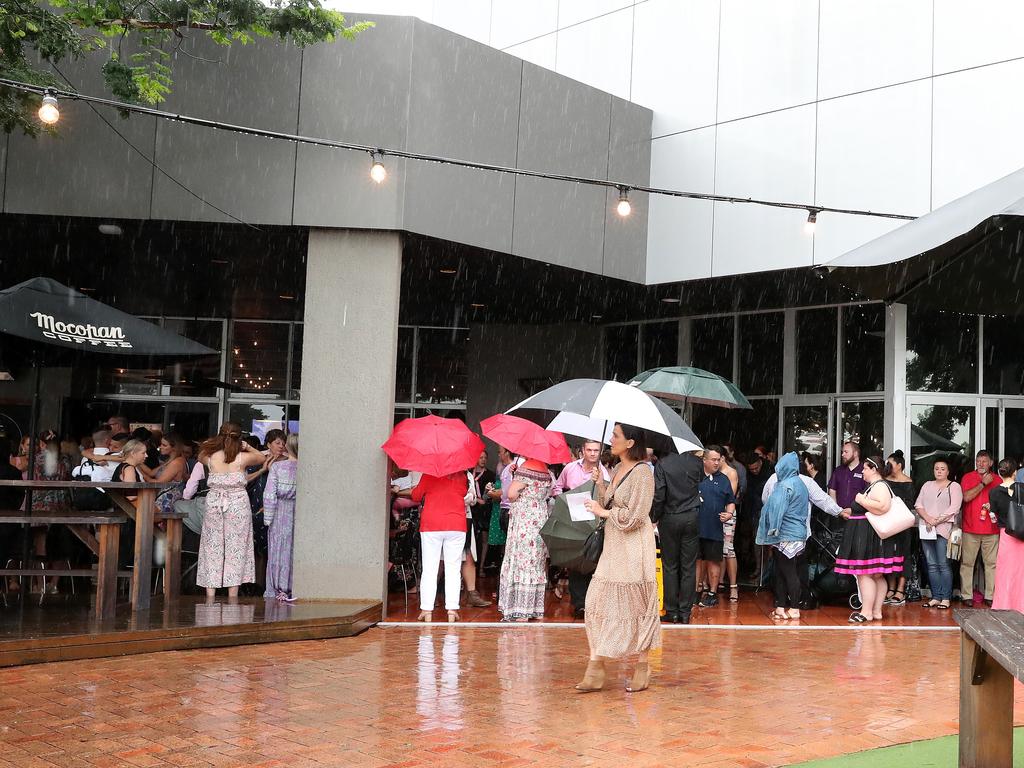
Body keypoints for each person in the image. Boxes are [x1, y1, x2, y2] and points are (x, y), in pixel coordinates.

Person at [576, 423, 658, 694]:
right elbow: (612, 504)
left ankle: (642, 665)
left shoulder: (643, 472)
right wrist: (601, 485)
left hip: (634, 545)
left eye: (616, 436)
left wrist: (603, 512)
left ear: (630, 443)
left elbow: (635, 516)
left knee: (636, 604)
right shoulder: (617, 469)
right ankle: (596, 665)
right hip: (614, 545)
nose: (611, 440)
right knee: (595, 600)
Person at [761, 457, 844, 608]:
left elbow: (765, 500)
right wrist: (839, 512)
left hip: (779, 533)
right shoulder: (805, 482)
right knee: (797, 568)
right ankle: (801, 601)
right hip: (800, 533)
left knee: (781, 569)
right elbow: (823, 500)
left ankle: (783, 603)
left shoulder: (775, 479)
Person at [195, 423, 265, 600]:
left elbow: (200, 454)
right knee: (237, 547)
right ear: (239, 438)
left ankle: (210, 592)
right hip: (237, 503)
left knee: (212, 546)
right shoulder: (242, 458)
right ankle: (232, 593)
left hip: (215, 503)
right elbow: (261, 458)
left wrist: (216, 443)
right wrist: (247, 446)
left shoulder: (210, 458)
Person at [835, 455, 903, 623]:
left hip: (868, 537)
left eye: (865, 468)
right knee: (876, 576)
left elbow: (882, 507)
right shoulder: (875, 486)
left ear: (874, 470)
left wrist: (861, 499)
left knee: (865, 574)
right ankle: (876, 611)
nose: (863, 471)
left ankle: (866, 612)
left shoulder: (879, 486)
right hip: (870, 536)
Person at [552, 440, 610, 617]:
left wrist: (600, 484)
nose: (593, 453)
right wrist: (564, 499)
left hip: (593, 521)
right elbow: (556, 487)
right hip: (572, 519)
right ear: (582, 451)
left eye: (596, 450)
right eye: (589, 450)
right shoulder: (570, 468)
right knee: (576, 561)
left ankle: (592, 603)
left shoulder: (603, 472)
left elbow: (607, 496)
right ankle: (579, 604)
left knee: (592, 559)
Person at [498, 457, 553, 622]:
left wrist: (515, 476)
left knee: (521, 559)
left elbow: (511, 494)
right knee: (535, 561)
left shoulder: (526, 468)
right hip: (540, 517)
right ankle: (534, 608)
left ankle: (520, 609)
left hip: (525, 519)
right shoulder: (546, 470)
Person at [651, 448, 703, 623]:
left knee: (670, 566)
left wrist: (654, 516)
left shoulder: (663, 464)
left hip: (670, 516)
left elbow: (659, 494)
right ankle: (685, 612)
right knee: (688, 566)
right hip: (691, 515)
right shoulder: (696, 463)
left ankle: (672, 610)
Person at [412, 469, 470, 622]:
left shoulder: (428, 474)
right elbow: (463, 493)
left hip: (431, 524)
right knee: (453, 568)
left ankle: (426, 609)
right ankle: (451, 609)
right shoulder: (461, 477)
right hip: (456, 524)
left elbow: (416, 496)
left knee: (430, 568)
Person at [757, 452, 810, 621]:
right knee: (781, 570)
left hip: (786, 534)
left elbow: (777, 510)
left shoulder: (785, 485)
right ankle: (780, 607)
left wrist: (772, 531)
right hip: (797, 533)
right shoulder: (800, 483)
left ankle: (794, 608)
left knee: (788, 571)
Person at [914, 458, 962, 609]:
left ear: (948, 471)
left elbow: (954, 508)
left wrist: (936, 521)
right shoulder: (927, 485)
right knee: (931, 565)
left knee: (943, 564)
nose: (939, 471)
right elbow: (918, 504)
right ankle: (935, 596)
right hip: (927, 529)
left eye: (942, 469)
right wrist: (928, 519)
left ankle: (946, 598)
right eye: (937, 468)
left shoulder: (954, 486)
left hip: (943, 530)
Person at [696, 446, 736, 608]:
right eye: (713, 459)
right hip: (696, 526)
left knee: (714, 561)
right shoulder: (695, 477)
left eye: (718, 459)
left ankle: (712, 593)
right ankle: (696, 591)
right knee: (696, 560)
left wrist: (729, 513)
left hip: (714, 527)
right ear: (704, 460)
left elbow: (731, 501)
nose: (716, 462)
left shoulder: (724, 479)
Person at [960, 450, 1001, 606]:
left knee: (991, 564)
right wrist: (983, 483)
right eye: (978, 461)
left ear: (991, 463)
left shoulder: (998, 480)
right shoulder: (968, 477)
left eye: (984, 461)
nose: (981, 464)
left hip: (992, 529)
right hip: (970, 528)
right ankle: (966, 596)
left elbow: (1002, 504)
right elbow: (966, 497)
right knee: (967, 564)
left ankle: (990, 596)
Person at [263, 433, 298, 601]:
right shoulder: (306, 467)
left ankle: (277, 589)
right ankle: (293, 587)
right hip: (298, 513)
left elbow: (269, 495)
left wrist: (267, 519)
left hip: (280, 513)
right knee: (294, 550)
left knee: (278, 550)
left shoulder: (277, 468)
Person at [990, 459, 1024, 611]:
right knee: (1021, 572)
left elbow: (994, 514)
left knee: (1004, 572)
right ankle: (1020, 606)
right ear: (1015, 472)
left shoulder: (994, 492)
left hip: (1006, 534)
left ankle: (1002, 605)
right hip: (1022, 535)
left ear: (999, 473)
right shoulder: (1022, 489)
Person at [883, 450, 916, 607]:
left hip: (902, 524)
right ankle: (890, 588)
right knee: (889, 554)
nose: (887, 466)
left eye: (890, 464)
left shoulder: (908, 482)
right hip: (888, 524)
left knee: (903, 555)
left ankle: (900, 590)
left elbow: (909, 504)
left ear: (899, 465)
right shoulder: (885, 481)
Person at [737, 451, 773, 585]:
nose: (754, 471)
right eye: (751, 469)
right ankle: (759, 569)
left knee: (766, 545)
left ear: (760, 462)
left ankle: (765, 572)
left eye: (756, 468)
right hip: (753, 511)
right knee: (757, 543)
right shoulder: (750, 475)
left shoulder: (769, 472)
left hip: (766, 511)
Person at [469, 450, 495, 579]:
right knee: (471, 538)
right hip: (472, 509)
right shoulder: (468, 473)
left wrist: (485, 498)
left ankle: (481, 567)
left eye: (485, 457)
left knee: (485, 539)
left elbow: (493, 492)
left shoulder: (490, 474)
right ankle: (470, 566)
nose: (483, 460)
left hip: (484, 510)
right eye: (480, 457)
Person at [829, 441, 867, 511]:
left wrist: (855, 510)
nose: (843, 455)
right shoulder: (838, 470)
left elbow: (868, 495)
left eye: (846, 452)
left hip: (857, 516)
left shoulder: (865, 471)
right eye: (842, 452)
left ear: (855, 453)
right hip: (839, 514)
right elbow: (832, 490)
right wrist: (837, 510)